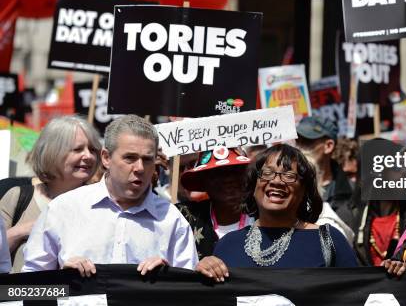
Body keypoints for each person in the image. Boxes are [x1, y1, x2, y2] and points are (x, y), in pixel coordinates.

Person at [22, 115, 198, 276]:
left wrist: (168, 280)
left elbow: (188, 294)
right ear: (106, 158)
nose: (140, 168)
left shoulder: (172, 220)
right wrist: (62, 279)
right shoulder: (63, 210)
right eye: (130, 158)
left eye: (147, 159)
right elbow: (27, 289)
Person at [195, 144, 358, 281]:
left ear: (304, 190)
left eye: (289, 175)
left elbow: (358, 294)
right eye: (267, 173)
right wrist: (205, 271)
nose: (276, 181)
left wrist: (384, 273)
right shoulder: (227, 245)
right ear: (253, 186)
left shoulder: (330, 241)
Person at [0, 115, 101, 272]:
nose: (88, 156)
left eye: (93, 149)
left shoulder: (101, 202)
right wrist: (23, 231)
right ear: (52, 152)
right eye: (78, 149)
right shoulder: (17, 197)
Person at [176, 147, 254, 260]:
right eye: (218, 173)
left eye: (235, 170)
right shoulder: (185, 217)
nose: (228, 179)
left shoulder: (265, 214)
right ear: (203, 180)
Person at [295, 116, 354, 228]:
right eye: (298, 141)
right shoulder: (289, 187)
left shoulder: (352, 192)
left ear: (328, 146)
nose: (299, 147)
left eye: (307, 141)